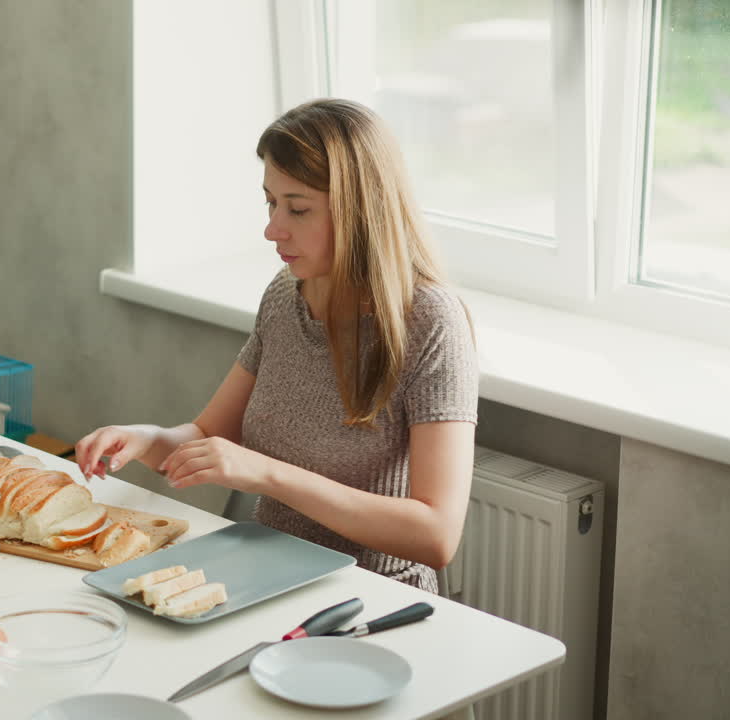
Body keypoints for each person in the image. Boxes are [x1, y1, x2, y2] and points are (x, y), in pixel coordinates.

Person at [75, 98, 478, 593]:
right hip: (269, 577)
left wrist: (269, 474)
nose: (272, 229)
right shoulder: (287, 293)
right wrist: (144, 439)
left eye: (298, 208)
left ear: (361, 209)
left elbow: (436, 536)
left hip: (372, 598)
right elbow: (205, 438)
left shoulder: (431, 322)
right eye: (271, 201)